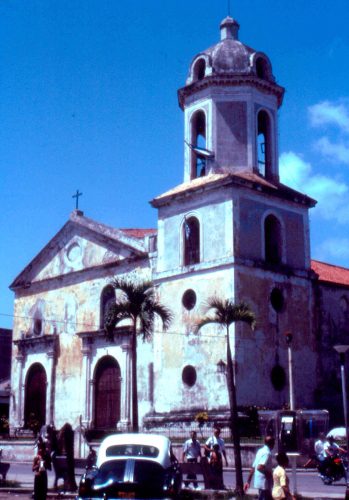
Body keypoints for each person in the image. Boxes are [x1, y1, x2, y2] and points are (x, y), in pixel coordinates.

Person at [244, 435, 275, 500]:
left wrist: (248, 481)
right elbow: (259, 467)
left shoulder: (260, 451)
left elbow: (253, 467)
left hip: (259, 482)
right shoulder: (267, 453)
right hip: (264, 483)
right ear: (272, 444)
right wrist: (269, 474)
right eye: (273, 443)